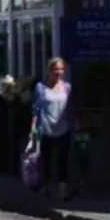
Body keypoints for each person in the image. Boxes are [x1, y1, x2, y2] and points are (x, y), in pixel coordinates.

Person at [32, 56, 74, 201]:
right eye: (55, 69)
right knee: (45, 161)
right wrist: (33, 129)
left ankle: (63, 191)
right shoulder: (40, 87)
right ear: (49, 71)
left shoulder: (67, 87)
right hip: (46, 129)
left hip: (63, 128)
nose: (58, 72)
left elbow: (70, 107)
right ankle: (45, 188)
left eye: (61, 69)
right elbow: (36, 109)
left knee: (63, 160)